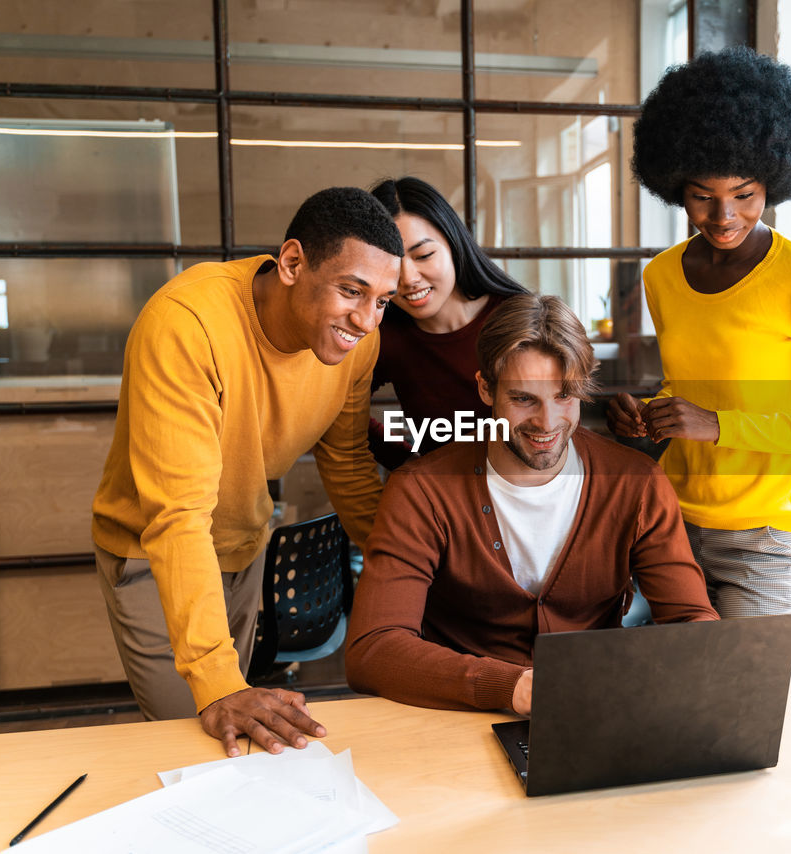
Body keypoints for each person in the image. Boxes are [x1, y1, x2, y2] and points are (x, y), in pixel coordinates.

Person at [91, 187, 402, 755]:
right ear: (291, 263)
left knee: (240, 745)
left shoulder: (359, 340)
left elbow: (347, 461)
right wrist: (217, 682)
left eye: (383, 300)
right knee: (196, 740)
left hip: (243, 547)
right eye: (351, 291)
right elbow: (179, 517)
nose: (365, 318)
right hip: (151, 554)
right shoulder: (187, 323)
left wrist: (404, 563)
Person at [607, 48, 791, 662]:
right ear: (676, 187)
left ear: (775, 180)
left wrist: (718, 425)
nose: (723, 217)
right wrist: (651, 417)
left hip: (763, 536)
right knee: (665, 699)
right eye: (702, 197)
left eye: (745, 195)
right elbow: (694, 389)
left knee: (757, 706)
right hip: (669, 522)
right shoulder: (662, 276)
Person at [345, 294, 718, 713]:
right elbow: (372, 649)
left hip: (594, 710)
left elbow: (694, 623)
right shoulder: (422, 490)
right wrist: (510, 687)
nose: (547, 423)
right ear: (486, 388)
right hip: (458, 717)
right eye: (524, 399)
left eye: (565, 396)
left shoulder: (637, 483)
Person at [368, 176, 529, 468]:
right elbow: (338, 415)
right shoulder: (384, 336)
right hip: (445, 506)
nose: (408, 278)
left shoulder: (518, 319)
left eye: (424, 255)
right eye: (389, 263)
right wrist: (409, 466)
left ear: (454, 243)